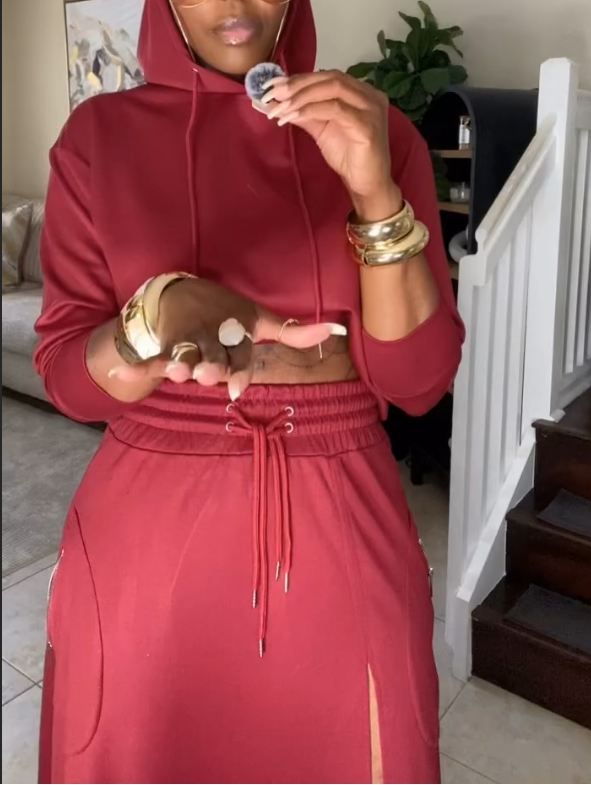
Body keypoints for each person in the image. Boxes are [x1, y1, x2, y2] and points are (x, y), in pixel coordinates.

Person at [34, 0, 464, 782]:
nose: (235, 6)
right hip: (147, 541)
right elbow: (69, 376)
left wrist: (373, 194)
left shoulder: (376, 128)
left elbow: (417, 383)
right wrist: (153, 313)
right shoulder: (96, 139)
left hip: (342, 515)